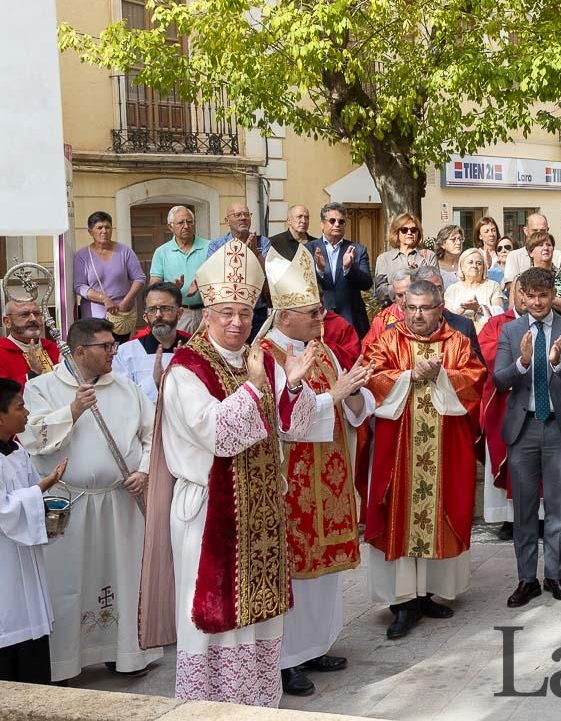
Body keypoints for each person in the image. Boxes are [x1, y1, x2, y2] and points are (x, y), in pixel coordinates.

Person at [139, 238, 321, 706]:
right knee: (213, 628)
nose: (238, 322)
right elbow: (220, 437)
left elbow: (293, 428)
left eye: (245, 312)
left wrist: (293, 385)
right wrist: (257, 387)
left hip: (258, 514)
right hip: (207, 518)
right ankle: (208, 711)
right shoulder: (186, 369)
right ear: (206, 313)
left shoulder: (260, 361)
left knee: (259, 624)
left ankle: (259, 707)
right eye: (226, 313)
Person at [258, 246, 374, 698]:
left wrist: (355, 393)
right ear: (285, 315)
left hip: (331, 476)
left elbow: (353, 404)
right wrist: (335, 396)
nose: (320, 317)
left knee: (324, 577)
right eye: (311, 312)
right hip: (293, 482)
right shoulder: (265, 356)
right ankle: (286, 660)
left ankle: (315, 646)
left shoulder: (321, 350)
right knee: (296, 575)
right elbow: (278, 419)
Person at [22, 317, 160, 682]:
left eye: (114, 345)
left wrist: (144, 470)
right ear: (79, 351)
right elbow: (31, 436)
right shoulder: (42, 388)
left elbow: (152, 434)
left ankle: (125, 652)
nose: (114, 351)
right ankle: (66, 661)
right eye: (105, 347)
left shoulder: (127, 388)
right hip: (71, 504)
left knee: (124, 576)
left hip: (119, 501)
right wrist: (72, 411)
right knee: (68, 582)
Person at [361, 280, 486, 640]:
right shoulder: (388, 339)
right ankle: (403, 602)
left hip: (444, 450)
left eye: (425, 308)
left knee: (441, 513)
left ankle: (428, 593)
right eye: (411, 308)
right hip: (397, 454)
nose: (417, 315)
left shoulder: (457, 342)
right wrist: (408, 375)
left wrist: (443, 375)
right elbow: (370, 378)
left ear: (440, 307)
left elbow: (476, 379)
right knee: (398, 514)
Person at [493, 268, 561, 607]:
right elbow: (499, 380)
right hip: (524, 428)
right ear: (520, 296)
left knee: (558, 506)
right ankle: (526, 579)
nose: (536, 301)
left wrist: (558, 362)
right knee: (524, 508)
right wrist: (522, 361)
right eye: (529, 296)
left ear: (552, 296)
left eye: (542, 295)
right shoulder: (510, 330)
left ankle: (554, 575)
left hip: (559, 428)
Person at [0, 377, 68, 685]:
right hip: (5, 562)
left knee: (31, 627)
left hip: (23, 555)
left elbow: (27, 498)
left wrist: (47, 514)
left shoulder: (16, 449)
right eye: (20, 406)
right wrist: (44, 485)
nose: (27, 413)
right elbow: (5, 509)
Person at [479, 283, 524, 536]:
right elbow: (485, 353)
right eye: (521, 291)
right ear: (512, 294)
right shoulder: (496, 323)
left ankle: (539, 517)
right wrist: (520, 358)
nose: (526, 297)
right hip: (503, 401)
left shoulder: (551, 322)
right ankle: (508, 518)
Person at [73, 211, 146, 341]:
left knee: (120, 351)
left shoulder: (124, 251)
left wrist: (126, 302)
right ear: (90, 231)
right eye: (99, 227)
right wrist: (104, 299)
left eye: (107, 227)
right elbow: (79, 286)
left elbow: (139, 278)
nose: (104, 231)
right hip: (94, 317)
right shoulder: (82, 256)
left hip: (121, 316)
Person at [112, 282, 190, 403]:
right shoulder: (125, 353)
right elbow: (122, 401)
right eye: (152, 309)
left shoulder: (194, 349)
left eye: (165, 308)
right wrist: (154, 383)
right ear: (145, 316)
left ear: (179, 313)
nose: (158, 315)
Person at [307, 202, 372, 338]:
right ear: (322, 224)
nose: (337, 224)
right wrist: (319, 269)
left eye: (341, 221)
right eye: (332, 220)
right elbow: (303, 284)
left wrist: (349, 268)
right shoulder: (309, 249)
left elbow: (367, 284)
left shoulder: (358, 250)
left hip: (351, 319)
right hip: (318, 318)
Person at [207, 203, 272, 337]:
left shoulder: (262, 242)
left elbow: (268, 272)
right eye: (238, 215)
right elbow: (212, 275)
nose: (243, 218)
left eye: (246, 214)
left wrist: (255, 253)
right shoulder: (217, 245)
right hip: (227, 311)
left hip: (257, 310)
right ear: (227, 220)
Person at [147, 206, 209, 333]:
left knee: (206, 351)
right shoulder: (162, 252)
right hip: (178, 313)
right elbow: (153, 286)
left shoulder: (209, 246)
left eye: (189, 222)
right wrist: (171, 287)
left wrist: (201, 284)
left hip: (206, 312)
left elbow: (219, 276)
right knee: (179, 350)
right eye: (181, 222)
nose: (186, 226)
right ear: (171, 227)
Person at [374, 213, 436, 305]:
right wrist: (403, 283)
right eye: (404, 230)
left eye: (413, 230)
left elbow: (435, 287)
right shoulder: (384, 259)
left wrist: (417, 278)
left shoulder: (428, 256)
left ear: (418, 233)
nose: (409, 233)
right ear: (397, 233)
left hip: (422, 310)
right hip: (394, 312)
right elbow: (379, 293)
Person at [0, 300, 60, 387]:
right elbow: (4, 395)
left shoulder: (54, 348)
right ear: (7, 322)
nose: (33, 319)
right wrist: (33, 373)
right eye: (24, 314)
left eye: (36, 313)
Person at [444, 247, 504, 331]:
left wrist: (479, 308)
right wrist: (460, 311)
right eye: (470, 262)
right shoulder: (452, 289)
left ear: (484, 268)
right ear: (462, 266)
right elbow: (446, 317)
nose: (474, 266)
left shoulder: (493, 285)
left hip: (487, 334)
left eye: (479, 263)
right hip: (459, 336)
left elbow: (500, 313)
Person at [526, 231, 561, 320]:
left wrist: (551, 299)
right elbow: (516, 307)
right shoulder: (522, 279)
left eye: (549, 245)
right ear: (530, 252)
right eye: (540, 245)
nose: (545, 248)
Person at [503, 213, 561, 285]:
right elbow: (511, 286)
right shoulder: (514, 256)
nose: (538, 234)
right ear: (525, 231)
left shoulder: (558, 256)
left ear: (547, 230)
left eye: (542, 231)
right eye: (535, 231)